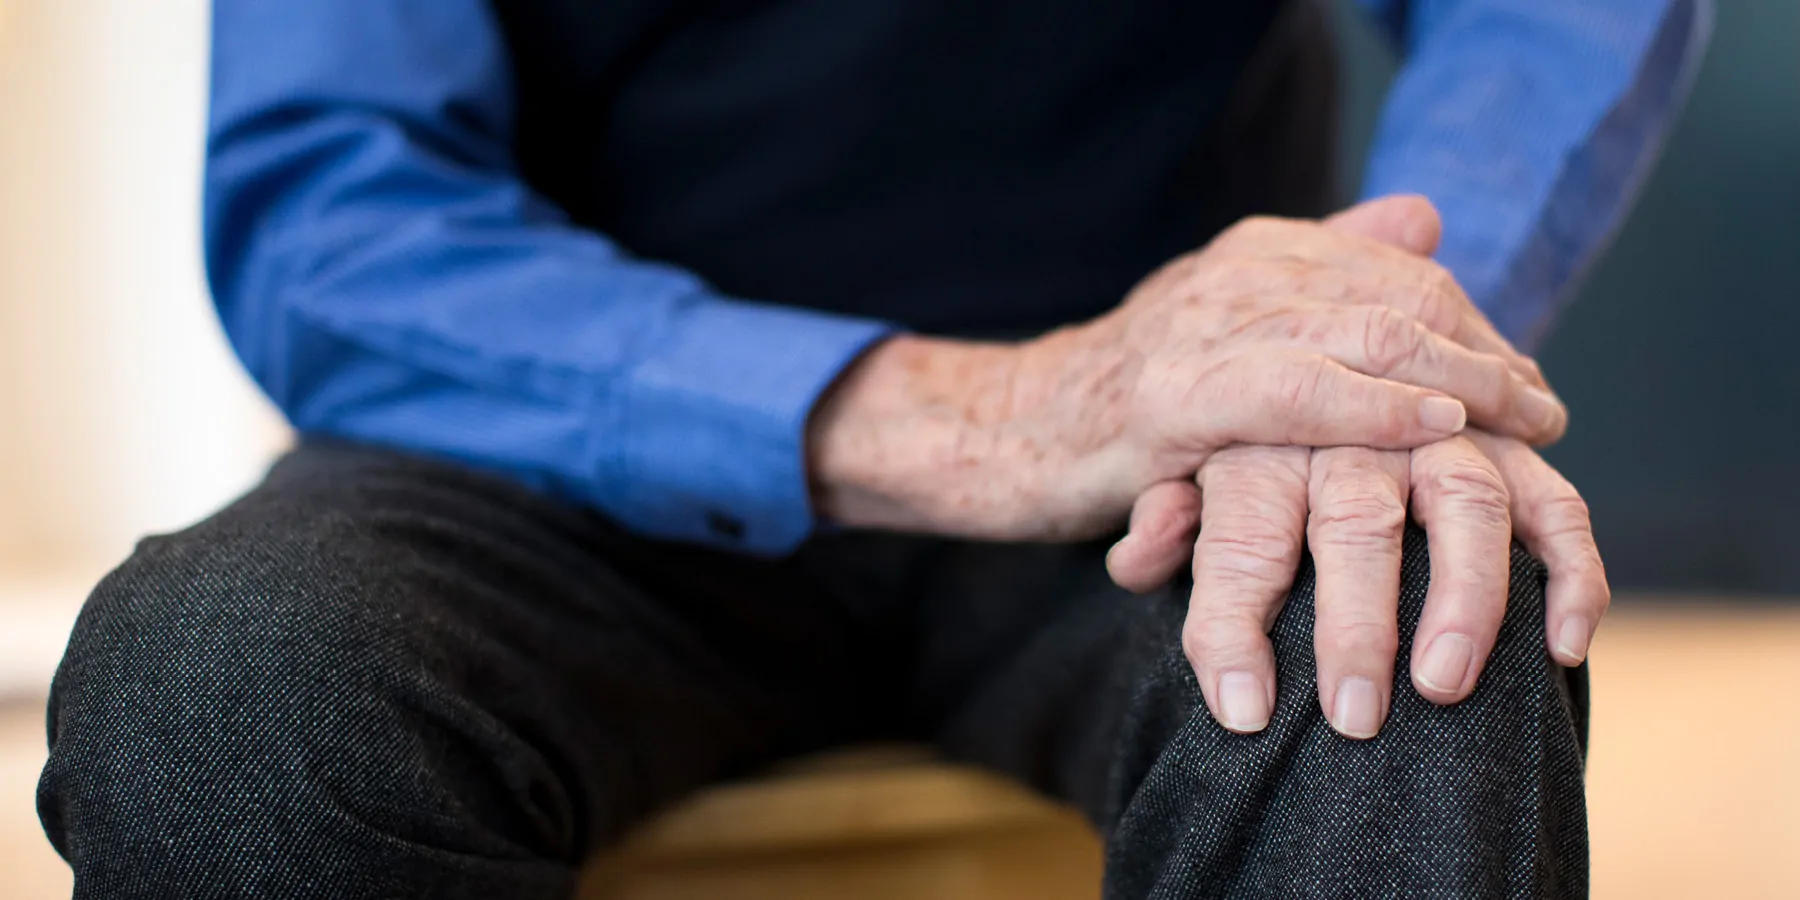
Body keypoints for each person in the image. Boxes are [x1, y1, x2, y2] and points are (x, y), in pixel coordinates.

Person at [38, 0, 1709, 897]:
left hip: (1178, 452)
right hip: (545, 454)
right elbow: (337, 209)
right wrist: (987, 415)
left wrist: (1359, 329)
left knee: (1404, 641)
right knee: (223, 687)